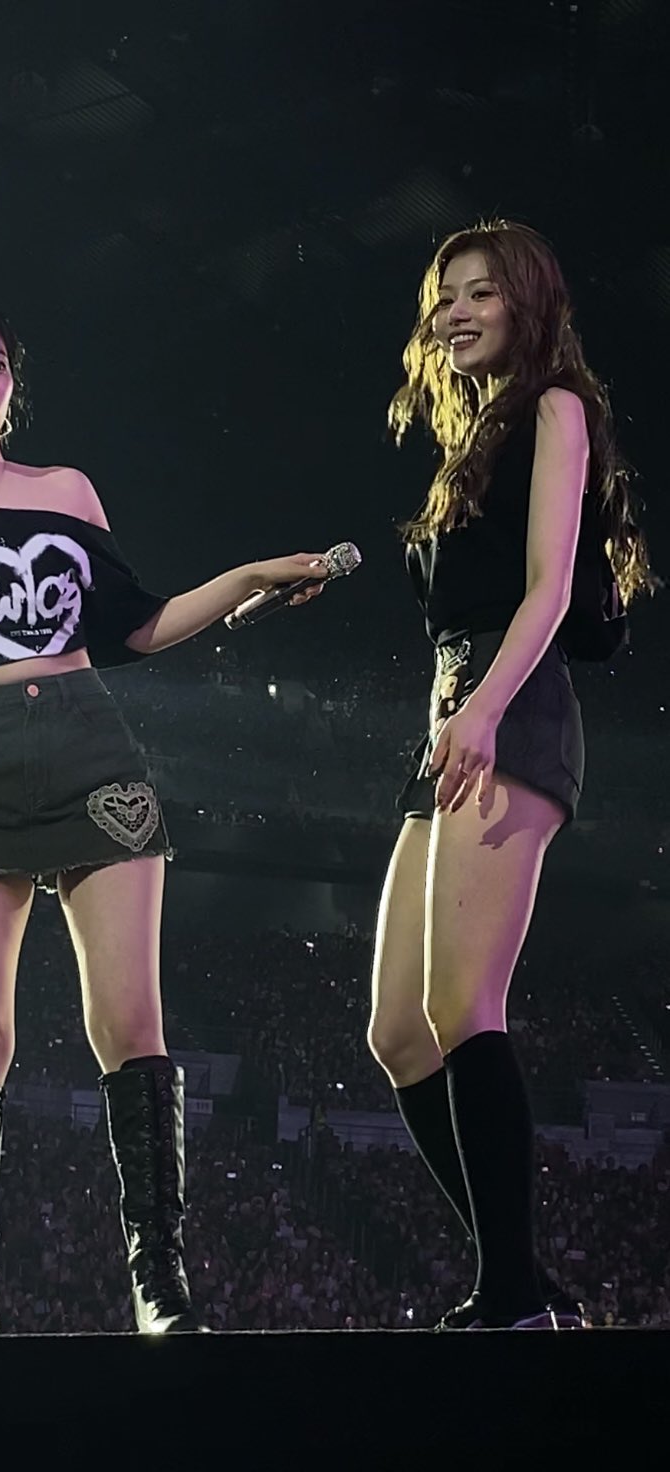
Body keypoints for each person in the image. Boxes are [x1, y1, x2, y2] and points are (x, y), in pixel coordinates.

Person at [0, 293, 327, 1338]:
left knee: (130, 1022)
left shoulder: (65, 491)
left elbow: (135, 627)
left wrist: (247, 577)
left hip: (94, 752)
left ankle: (162, 1284)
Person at [367, 221, 654, 1329]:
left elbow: (548, 590)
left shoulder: (555, 409)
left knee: (460, 1004)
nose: (456, 312)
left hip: (511, 709)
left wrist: (483, 711)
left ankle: (509, 1297)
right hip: (453, 717)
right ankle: (527, 1283)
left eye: (481, 292)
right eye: (446, 295)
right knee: (399, 1031)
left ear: (527, 304)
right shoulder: (473, 443)